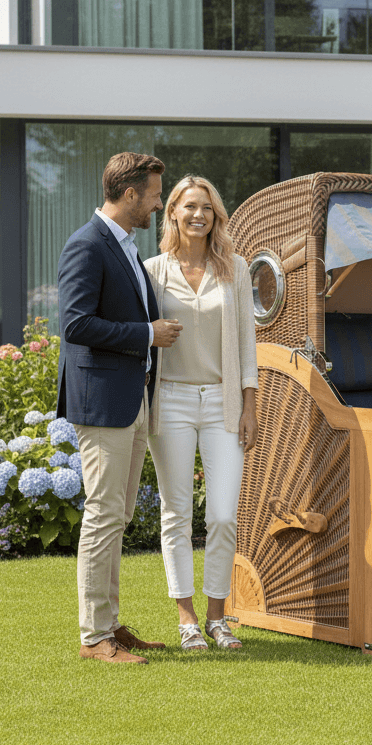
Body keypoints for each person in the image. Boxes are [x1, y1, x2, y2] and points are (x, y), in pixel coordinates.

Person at [58, 152, 183, 664]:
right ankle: (94, 638)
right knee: (104, 515)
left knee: (118, 515)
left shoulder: (125, 245)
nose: (158, 204)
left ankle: (108, 625)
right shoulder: (87, 244)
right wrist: (146, 335)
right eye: (154, 195)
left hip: (131, 399)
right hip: (104, 403)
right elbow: (75, 324)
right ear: (130, 194)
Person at [144, 175, 258, 652]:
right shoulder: (152, 271)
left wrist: (250, 404)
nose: (198, 215)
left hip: (222, 402)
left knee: (223, 514)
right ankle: (187, 619)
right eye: (189, 206)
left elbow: (247, 343)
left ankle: (217, 617)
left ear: (216, 216)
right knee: (176, 512)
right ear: (172, 211)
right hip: (169, 399)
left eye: (207, 208)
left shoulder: (236, 268)